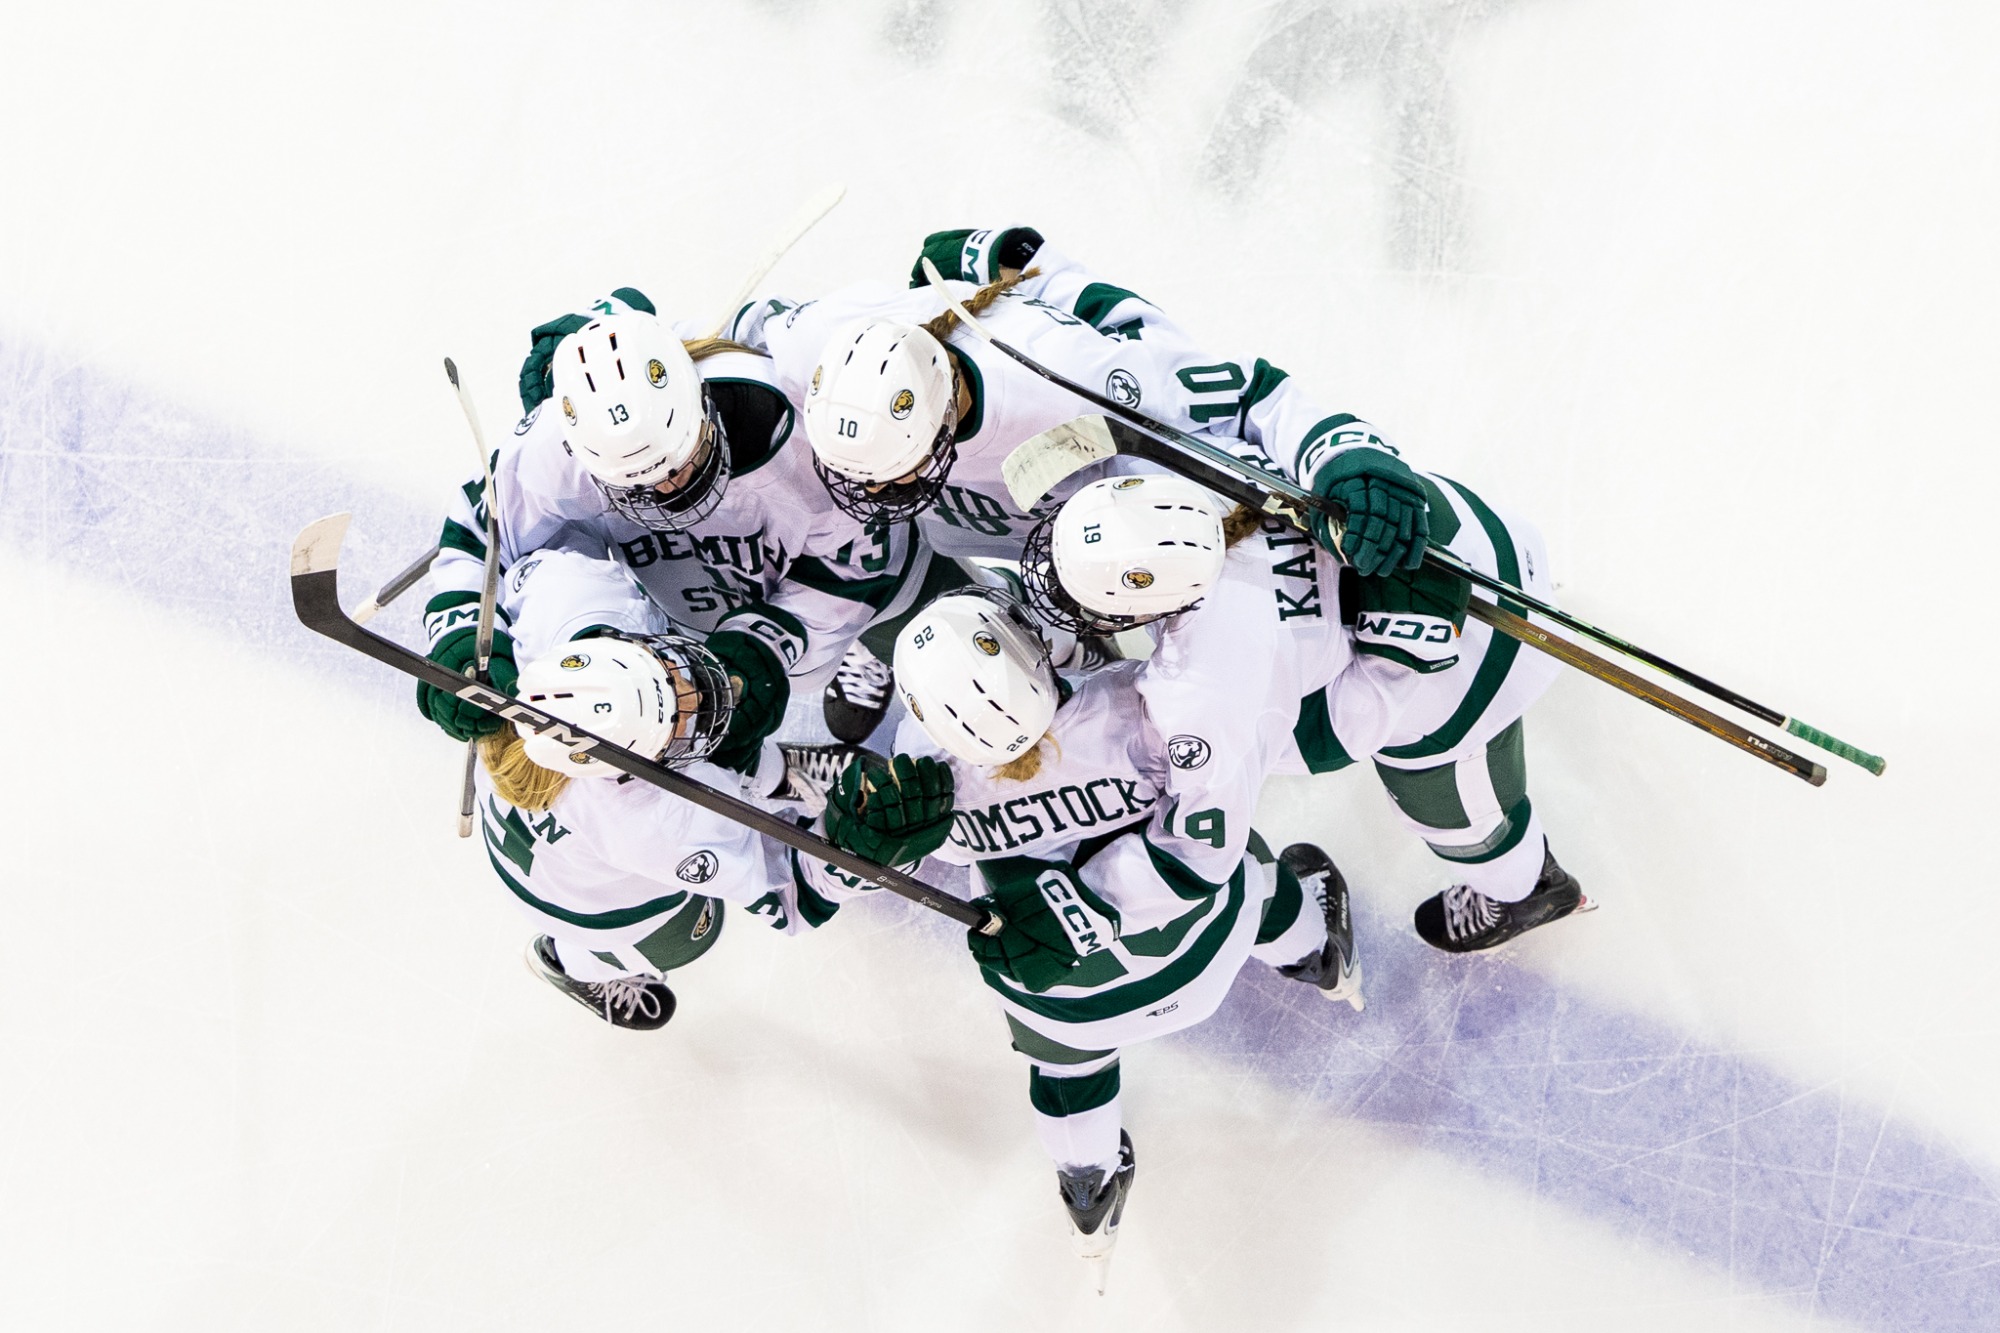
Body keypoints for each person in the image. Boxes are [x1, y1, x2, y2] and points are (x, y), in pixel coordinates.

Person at [804, 589, 1358, 1284]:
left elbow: (848, 876)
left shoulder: (931, 773)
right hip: (1202, 951)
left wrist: (864, 842)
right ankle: (1317, 956)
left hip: (1067, 1010)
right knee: (1259, 879)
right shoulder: (1138, 702)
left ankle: (1089, 1186)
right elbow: (1210, 826)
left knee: (1064, 1069)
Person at [1020, 470, 1591, 953]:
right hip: (1469, 536)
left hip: (1462, 669)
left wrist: (1399, 657)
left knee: (1461, 815)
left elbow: (1334, 736)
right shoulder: (1182, 480)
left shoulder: (1209, 673)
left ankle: (1531, 888)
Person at [417, 288, 934, 772]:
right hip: (699, 583)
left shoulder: (795, 424)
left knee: (890, 628)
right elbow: (483, 525)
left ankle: (857, 655)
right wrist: (463, 629)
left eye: (677, 463)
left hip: (869, 581)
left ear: (701, 401)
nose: (669, 492)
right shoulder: (563, 442)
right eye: (637, 484)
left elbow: (852, 567)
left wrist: (770, 644)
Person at [472, 547, 872, 1029]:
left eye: (663, 672)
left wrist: (455, 630)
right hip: (598, 915)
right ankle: (574, 964)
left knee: (703, 749)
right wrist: (859, 852)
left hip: (530, 849)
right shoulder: (654, 822)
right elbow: (785, 892)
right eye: (673, 707)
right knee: (696, 934)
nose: (689, 687)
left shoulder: (563, 605)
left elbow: (509, 558)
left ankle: (777, 771)